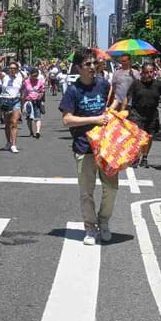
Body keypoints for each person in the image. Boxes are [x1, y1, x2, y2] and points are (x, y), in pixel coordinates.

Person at [59, 48, 118, 246]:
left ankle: (104, 221)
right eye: (88, 64)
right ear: (78, 68)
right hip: (84, 147)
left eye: (94, 63)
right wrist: (96, 119)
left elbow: (114, 99)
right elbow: (67, 119)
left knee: (112, 188)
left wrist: (111, 111)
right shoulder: (73, 91)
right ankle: (90, 228)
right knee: (87, 192)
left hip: (106, 147)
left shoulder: (103, 84)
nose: (93, 67)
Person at [121, 62, 161, 167]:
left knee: (149, 137)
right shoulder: (136, 84)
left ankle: (145, 157)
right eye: (146, 72)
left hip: (152, 114)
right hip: (137, 113)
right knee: (137, 136)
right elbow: (127, 97)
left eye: (151, 72)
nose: (149, 74)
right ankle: (135, 157)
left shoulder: (158, 84)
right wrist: (122, 112)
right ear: (142, 73)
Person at [0, 61, 23, 153]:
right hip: (6, 101)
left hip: (15, 101)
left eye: (14, 68)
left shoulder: (20, 78)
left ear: (17, 70)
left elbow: (22, 91)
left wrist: (23, 105)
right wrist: (0, 60)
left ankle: (14, 145)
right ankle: (8, 142)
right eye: (10, 68)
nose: (12, 70)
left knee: (14, 122)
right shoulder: (5, 77)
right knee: (7, 123)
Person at [21, 68, 46, 139]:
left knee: (38, 117)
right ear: (30, 75)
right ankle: (31, 131)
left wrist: (40, 95)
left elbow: (42, 91)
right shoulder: (26, 82)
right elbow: (22, 91)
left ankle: (38, 131)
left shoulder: (40, 82)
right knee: (29, 118)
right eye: (34, 75)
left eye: (36, 75)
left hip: (37, 101)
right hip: (28, 101)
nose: (35, 77)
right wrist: (22, 104)